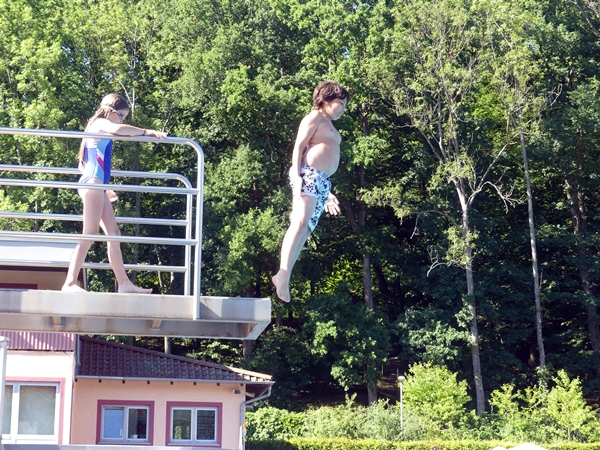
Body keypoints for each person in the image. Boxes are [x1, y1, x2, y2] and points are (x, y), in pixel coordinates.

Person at [62, 93, 167, 293]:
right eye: (121, 115)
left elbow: (84, 165)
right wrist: (147, 132)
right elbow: (118, 130)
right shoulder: (100, 123)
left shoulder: (97, 128)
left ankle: (124, 284)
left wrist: (105, 187)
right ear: (110, 111)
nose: (121, 120)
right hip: (93, 183)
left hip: (96, 184)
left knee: (114, 233)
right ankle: (69, 283)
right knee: (90, 233)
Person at [272, 81, 349, 302]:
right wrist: (297, 176)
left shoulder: (329, 123)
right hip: (308, 174)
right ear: (326, 100)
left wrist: (328, 194)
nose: (343, 109)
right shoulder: (315, 117)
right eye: (340, 104)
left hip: (321, 181)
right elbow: (299, 146)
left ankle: (285, 274)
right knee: (299, 222)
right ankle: (283, 274)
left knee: (306, 229)